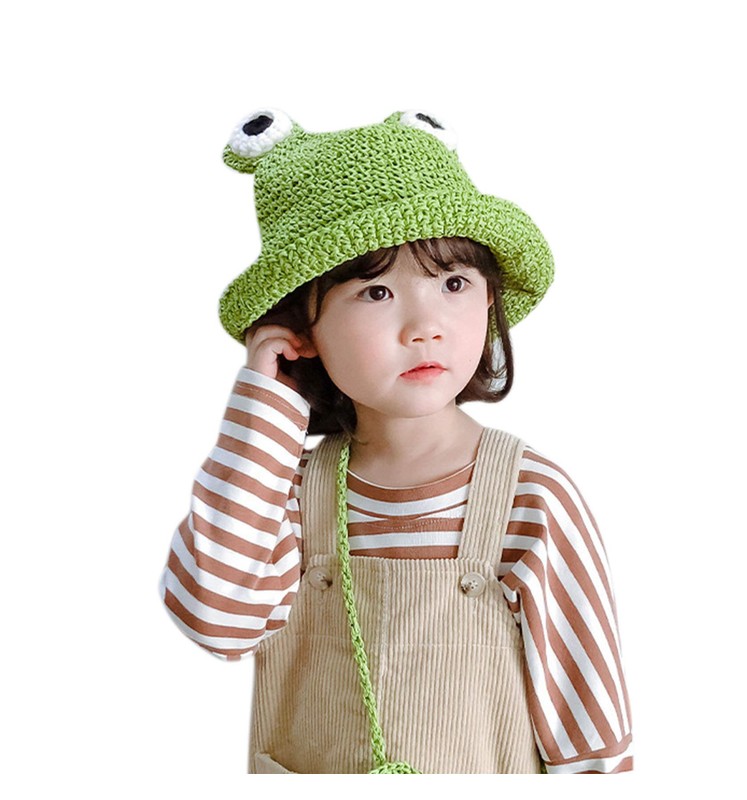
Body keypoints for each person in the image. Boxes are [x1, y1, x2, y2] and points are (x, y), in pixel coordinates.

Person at [159, 108, 633, 774]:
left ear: (489, 299)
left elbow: (590, 732)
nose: (424, 326)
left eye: (453, 283)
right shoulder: (283, 495)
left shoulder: (530, 496)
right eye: (376, 291)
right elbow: (216, 618)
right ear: (303, 329)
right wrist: (264, 406)